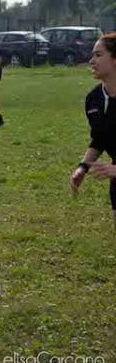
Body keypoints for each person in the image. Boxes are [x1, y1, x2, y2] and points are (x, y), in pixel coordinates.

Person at [70, 33, 116, 227]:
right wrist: (83, 167)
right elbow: (99, 139)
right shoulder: (94, 99)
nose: (91, 61)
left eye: (98, 55)